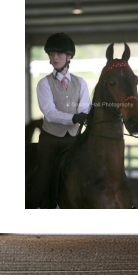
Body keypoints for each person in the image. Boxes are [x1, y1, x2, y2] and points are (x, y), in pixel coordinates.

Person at [26, 32, 91, 209]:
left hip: (75, 138)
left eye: (58, 54)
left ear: (69, 57)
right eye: (51, 54)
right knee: (45, 172)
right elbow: (49, 112)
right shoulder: (44, 84)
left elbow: (85, 106)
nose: (54, 58)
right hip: (51, 140)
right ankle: (35, 207)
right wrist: (73, 117)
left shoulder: (81, 82)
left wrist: (83, 115)